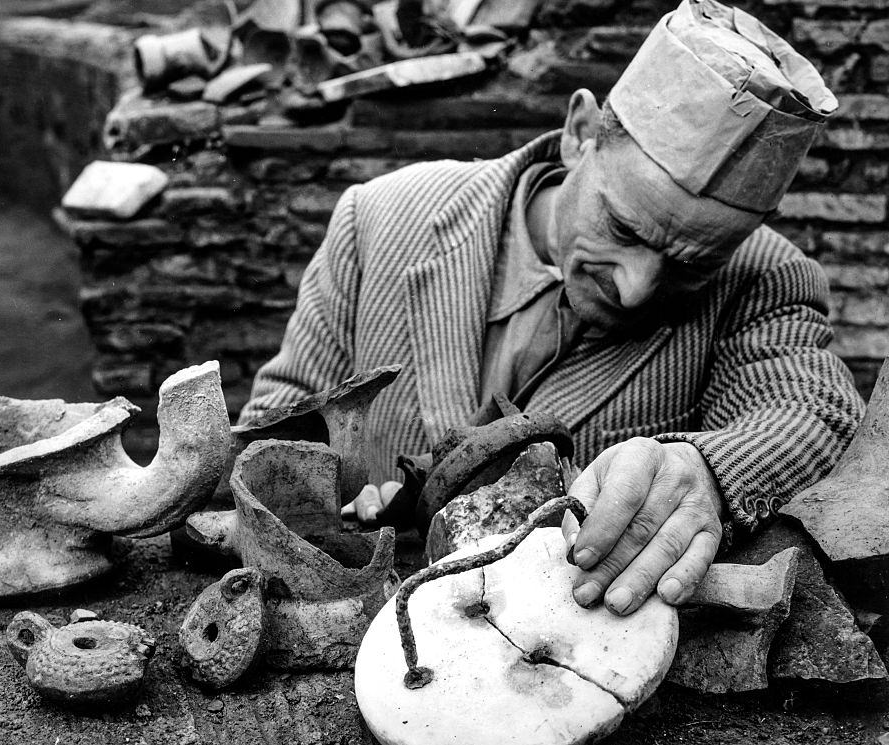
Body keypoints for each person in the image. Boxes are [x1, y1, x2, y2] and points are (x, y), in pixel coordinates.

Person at [239, 0, 864, 617]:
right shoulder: (378, 218)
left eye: (691, 263)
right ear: (580, 134)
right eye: (623, 228)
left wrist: (705, 470)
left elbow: (816, 414)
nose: (636, 289)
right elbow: (272, 432)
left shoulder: (763, 277)